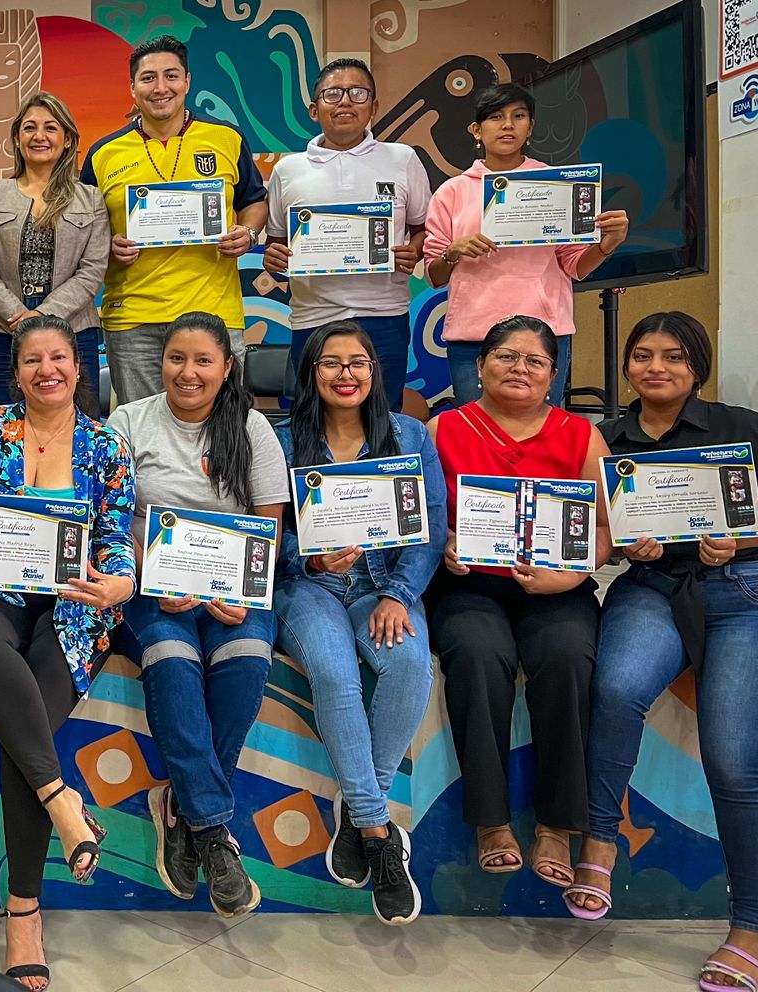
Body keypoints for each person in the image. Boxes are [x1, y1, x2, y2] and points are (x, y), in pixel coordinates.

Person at [568, 313, 758, 991]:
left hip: (739, 593)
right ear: (626, 366)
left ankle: (749, 927)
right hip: (651, 587)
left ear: (696, 366)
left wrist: (741, 542)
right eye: (642, 355)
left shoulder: (741, 428)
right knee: (617, 687)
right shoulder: (607, 439)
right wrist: (623, 544)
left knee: (733, 759)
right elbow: (593, 531)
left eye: (674, 357)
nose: (656, 368)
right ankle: (600, 840)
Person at [0, 315, 136, 990]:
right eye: (33, 360)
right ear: (17, 372)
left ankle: (23, 911)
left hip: (75, 605)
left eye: (59, 357)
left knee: (19, 727)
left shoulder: (106, 445)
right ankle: (61, 802)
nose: (47, 369)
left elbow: (115, 535)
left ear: (80, 368)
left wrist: (119, 582)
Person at [106, 313, 285, 925]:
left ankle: (185, 809)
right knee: (173, 659)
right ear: (160, 363)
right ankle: (212, 832)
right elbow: (108, 520)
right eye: (176, 358)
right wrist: (152, 574)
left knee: (246, 659)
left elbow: (269, 526)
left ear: (227, 367)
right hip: (150, 588)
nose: (188, 372)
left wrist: (245, 591)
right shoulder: (129, 421)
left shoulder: (252, 427)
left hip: (233, 590)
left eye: (203, 360)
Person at [427, 314, 613, 886]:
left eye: (535, 361)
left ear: (554, 374)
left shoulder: (581, 435)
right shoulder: (442, 429)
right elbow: (422, 517)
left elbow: (607, 527)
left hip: (557, 587)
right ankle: (491, 821)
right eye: (507, 356)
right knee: (479, 656)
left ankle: (557, 824)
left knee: (567, 656)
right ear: (480, 365)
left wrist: (571, 575)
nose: (520, 369)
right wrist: (445, 543)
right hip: (469, 584)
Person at [274, 322, 446, 925]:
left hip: (383, 587)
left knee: (409, 664)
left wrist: (398, 594)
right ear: (310, 372)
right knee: (332, 670)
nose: (345, 374)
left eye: (358, 363)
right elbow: (267, 531)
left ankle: (357, 809)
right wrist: (311, 559)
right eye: (330, 363)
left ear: (375, 370)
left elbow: (430, 530)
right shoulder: (281, 439)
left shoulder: (410, 435)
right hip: (309, 587)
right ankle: (378, 830)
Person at [80, 36, 267, 406]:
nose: (160, 87)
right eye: (148, 78)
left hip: (214, 312)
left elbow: (254, 201)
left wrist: (247, 232)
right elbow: (84, 228)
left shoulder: (226, 138)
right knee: (142, 429)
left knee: (223, 427)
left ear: (187, 81)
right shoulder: (103, 153)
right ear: (133, 88)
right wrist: (106, 245)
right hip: (133, 319)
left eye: (171, 76)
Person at [422, 83, 630, 406]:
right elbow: (434, 276)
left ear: (530, 127)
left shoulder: (559, 184)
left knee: (542, 431)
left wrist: (607, 244)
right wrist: (453, 252)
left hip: (544, 334)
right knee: (477, 432)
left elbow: (574, 265)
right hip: (473, 337)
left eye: (518, 116)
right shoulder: (451, 192)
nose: (508, 125)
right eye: (496, 117)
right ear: (476, 130)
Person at [263, 59, 430, 411]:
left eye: (357, 93)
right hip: (313, 318)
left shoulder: (403, 159)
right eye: (333, 93)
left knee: (383, 416)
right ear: (314, 109)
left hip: (385, 315)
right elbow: (276, 242)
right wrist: (273, 257)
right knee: (314, 419)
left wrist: (414, 250)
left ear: (374, 107)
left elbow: (423, 227)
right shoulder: (287, 170)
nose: (345, 101)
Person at [0, 92, 109, 413]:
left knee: (76, 425)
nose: (39, 136)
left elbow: (92, 270)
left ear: (68, 139)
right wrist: (17, 317)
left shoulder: (91, 199)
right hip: (2, 329)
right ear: (17, 139)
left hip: (74, 327)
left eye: (50, 128)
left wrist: (44, 316)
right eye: (29, 128)